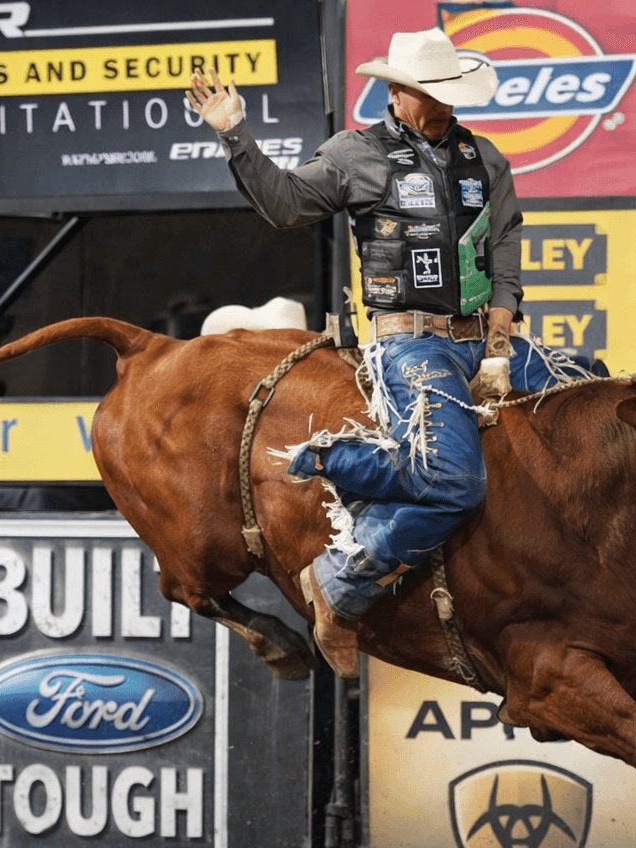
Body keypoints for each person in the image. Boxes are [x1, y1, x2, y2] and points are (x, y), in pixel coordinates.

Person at [188, 28, 591, 677]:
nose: (444, 104)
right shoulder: (357, 154)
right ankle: (341, 586)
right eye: (431, 93)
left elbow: (506, 249)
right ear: (398, 93)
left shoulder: (484, 159)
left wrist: (497, 344)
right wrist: (235, 134)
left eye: (448, 92)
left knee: (592, 391)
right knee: (452, 485)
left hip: (484, 342)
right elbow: (286, 205)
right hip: (408, 345)